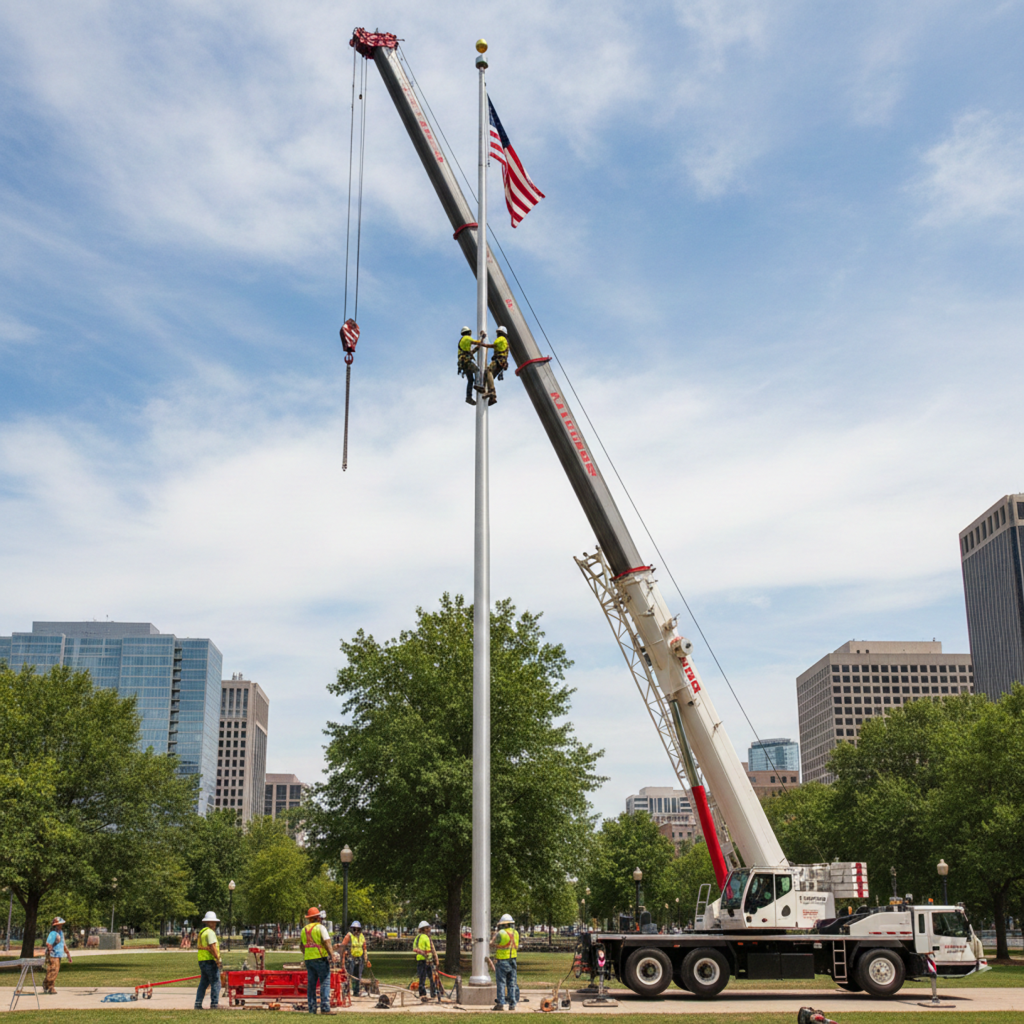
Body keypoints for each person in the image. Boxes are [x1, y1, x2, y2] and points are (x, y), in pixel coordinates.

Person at [300, 905, 336, 1015]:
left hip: (309, 960)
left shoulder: (304, 930)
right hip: (320, 958)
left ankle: (312, 1009)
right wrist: (332, 955)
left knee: (311, 984)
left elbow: (302, 946)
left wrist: (308, 954)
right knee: (324, 982)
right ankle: (325, 1008)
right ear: (318, 917)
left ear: (309, 918)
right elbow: (327, 942)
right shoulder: (321, 928)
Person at [490, 913, 519, 1012]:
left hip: (502, 961)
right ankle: (512, 1004)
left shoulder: (501, 933)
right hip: (513, 960)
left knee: (501, 983)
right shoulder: (516, 933)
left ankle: (501, 1003)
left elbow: (492, 944)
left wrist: (493, 937)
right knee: (512, 983)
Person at [194, 911, 222, 1010]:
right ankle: (214, 1004)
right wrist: (218, 959)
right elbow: (212, 946)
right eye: (213, 922)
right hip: (210, 960)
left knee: (204, 983)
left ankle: (198, 1003)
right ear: (209, 922)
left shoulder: (202, 932)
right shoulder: (210, 933)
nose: (215, 924)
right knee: (216, 982)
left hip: (202, 960)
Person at [478, 326, 509, 406]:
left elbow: (492, 345)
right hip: (502, 363)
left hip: (499, 361)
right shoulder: (505, 341)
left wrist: (483, 344)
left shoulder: (500, 339)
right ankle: (492, 398)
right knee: (489, 377)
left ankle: (491, 392)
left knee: (488, 371)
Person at [340, 920, 369, 997]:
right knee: (348, 975)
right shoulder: (348, 936)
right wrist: (342, 958)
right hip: (350, 958)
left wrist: (366, 959)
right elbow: (342, 947)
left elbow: (364, 948)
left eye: (357, 929)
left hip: (360, 959)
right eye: (354, 929)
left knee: (358, 976)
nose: (356, 931)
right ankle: (346, 992)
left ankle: (356, 991)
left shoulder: (362, 936)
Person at [43, 917, 72, 994]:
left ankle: (47, 984)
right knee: (53, 970)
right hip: (53, 954)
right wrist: (50, 948)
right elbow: (48, 943)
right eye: (59, 924)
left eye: (61, 924)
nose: (60, 926)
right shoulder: (53, 933)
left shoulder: (61, 933)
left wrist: (68, 953)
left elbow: (63, 944)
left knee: (55, 971)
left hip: (58, 955)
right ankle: (50, 987)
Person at [457, 326, 483, 405]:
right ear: (468, 333)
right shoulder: (467, 338)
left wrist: (476, 349)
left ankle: (468, 397)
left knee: (470, 380)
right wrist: (483, 337)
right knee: (477, 370)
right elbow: (478, 342)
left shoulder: (463, 340)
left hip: (463, 363)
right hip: (466, 362)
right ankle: (478, 384)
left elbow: (469, 353)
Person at [413, 921, 437, 1002]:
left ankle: (422, 994)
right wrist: (430, 959)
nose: (429, 929)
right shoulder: (426, 937)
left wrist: (421, 953)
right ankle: (432, 993)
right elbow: (428, 950)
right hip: (426, 961)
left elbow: (414, 948)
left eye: (429, 928)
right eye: (427, 928)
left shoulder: (417, 937)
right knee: (431, 978)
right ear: (423, 929)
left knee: (422, 978)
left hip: (420, 960)